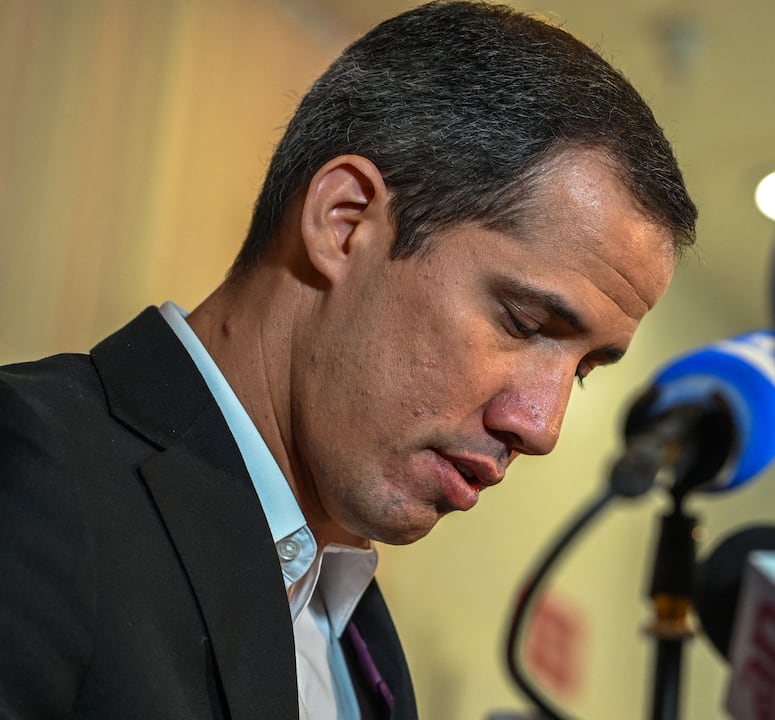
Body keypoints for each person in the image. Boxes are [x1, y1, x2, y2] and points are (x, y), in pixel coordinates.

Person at [0, 1, 697, 718]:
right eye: (523, 322)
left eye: (584, 369)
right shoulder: (31, 470)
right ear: (344, 222)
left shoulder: (356, 632)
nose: (543, 426)